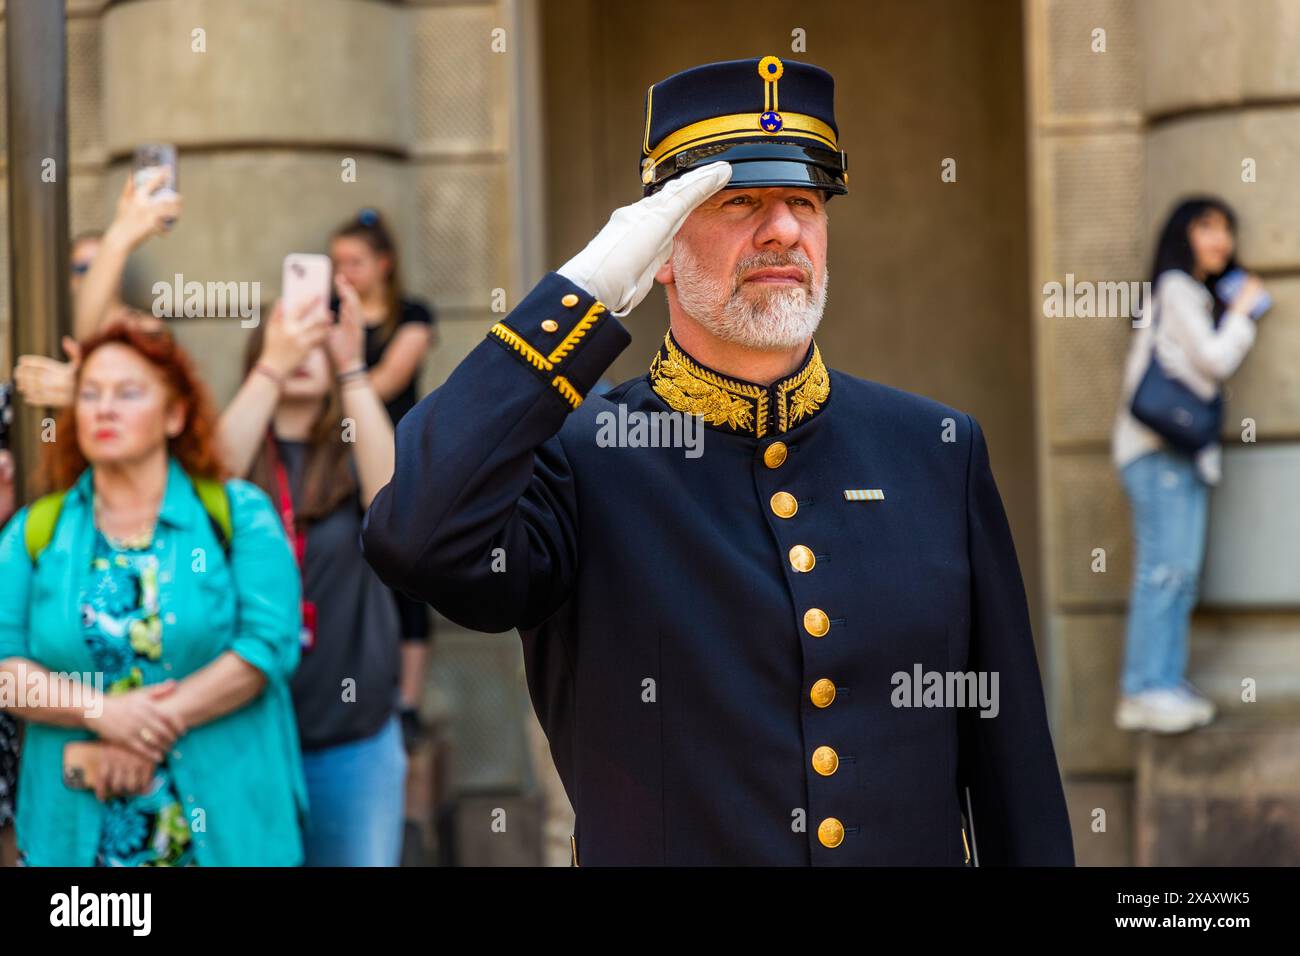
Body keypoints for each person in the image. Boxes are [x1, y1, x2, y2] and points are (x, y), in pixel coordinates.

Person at [362, 55, 1075, 865]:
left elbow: (1014, 776)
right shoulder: (579, 459)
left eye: (805, 202)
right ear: (660, 248)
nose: (782, 230)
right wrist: (581, 290)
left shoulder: (937, 451)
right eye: (738, 203)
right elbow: (413, 536)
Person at [0, 323, 306, 866]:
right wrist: (99, 713)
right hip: (77, 838)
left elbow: (268, 645)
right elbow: (5, 668)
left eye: (128, 393)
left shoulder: (238, 515)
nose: (104, 409)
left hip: (226, 829)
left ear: (175, 414)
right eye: (90, 394)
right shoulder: (36, 532)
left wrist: (140, 724)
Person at [219, 276, 405, 866]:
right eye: (288, 333)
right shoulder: (238, 444)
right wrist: (272, 368)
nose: (304, 351)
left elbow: (396, 501)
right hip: (243, 733)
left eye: (315, 338)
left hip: (353, 736)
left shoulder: (352, 445)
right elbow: (205, 495)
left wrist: (351, 366)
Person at [1111, 197, 1265, 734]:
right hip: (1158, 451)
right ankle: (1144, 689)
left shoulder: (1188, 292)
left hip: (1174, 453)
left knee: (1179, 574)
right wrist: (1244, 313)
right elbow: (1215, 360)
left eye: (1227, 229)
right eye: (1207, 227)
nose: (1220, 239)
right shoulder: (1177, 286)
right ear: (1184, 234)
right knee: (1166, 570)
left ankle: (1163, 682)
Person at [329, 209, 436, 749]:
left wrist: (345, 379)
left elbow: (392, 376)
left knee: (407, 572)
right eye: (336, 263)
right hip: (339, 458)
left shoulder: (411, 314)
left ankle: (407, 701)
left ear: (383, 263)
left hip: (397, 453)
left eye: (354, 261)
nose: (342, 272)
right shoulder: (329, 315)